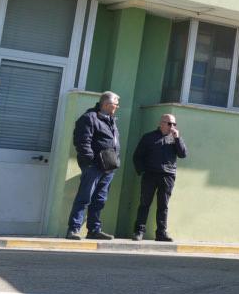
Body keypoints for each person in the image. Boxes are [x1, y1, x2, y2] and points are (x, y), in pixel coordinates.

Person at [68, 91, 122, 240]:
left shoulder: (111, 120)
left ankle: (94, 230)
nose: (117, 107)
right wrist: (90, 161)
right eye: (116, 104)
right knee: (85, 197)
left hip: (108, 166)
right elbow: (82, 141)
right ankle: (73, 229)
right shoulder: (89, 118)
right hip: (94, 166)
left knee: (100, 199)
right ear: (106, 104)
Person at [132, 114, 187, 242]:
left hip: (168, 176)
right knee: (145, 203)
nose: (172, 127)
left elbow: (183, 154)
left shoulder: (175, 139)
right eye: (169, 124)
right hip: (150, 174)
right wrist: (142, 171)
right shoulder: (149, 137)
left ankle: (161, 233)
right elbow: (137, 156)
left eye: (174, 124)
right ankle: (139, 231)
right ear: (161, 123)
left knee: (163, 205)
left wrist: (177, 138)